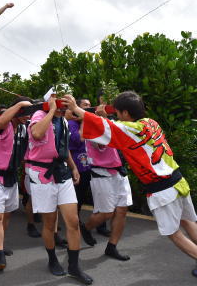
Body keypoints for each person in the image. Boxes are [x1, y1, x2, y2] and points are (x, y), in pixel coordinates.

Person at [63, 91, 197, 277]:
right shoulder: (151, 123)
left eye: (117, 112)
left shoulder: (129, 129)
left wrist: (76, 108)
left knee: (174, 233)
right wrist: (105, 116)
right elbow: (113, 126)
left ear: (125, 113)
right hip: (179, 181)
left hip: (163, 189)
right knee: (188, 221)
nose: (116, 115)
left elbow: (105, 127)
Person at [26, 94, 93, 285]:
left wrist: (73, 168)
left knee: (72, 221)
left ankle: (74, 266)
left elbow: (64, 148)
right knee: (50, 222)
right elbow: (38, 133)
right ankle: (52, 259)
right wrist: (52, 111)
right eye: (56, 98)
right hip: (42, 174)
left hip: (62, 172)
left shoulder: (63, 120)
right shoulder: (39, 115)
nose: (60, 102)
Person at [0, 97, 32, 271]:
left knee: (7, 214)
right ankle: (0, 254)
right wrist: (18, 105)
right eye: (24, 113)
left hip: (11, 177)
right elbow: (1, 120)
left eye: (29, 113)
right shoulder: (4, 125)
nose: (27, 116)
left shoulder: (25, 129)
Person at [79, 138, 132, 261]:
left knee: (122, 210)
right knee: (107, 213)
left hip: (119, 172)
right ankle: (85, 228)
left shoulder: (114, 122)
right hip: (101, 173)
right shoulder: (93, 125)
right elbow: (101, 142)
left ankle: (111, 247)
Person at [67, 99, 110, 237]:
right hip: (78, 167)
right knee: (78, 197)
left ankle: (100, 225)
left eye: (89, 105)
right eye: (85, 105)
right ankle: (76, 222)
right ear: (77, 108)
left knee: (98, 197)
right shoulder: (71, 123)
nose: (88, 107)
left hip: (93, 165)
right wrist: (85, 119)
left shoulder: (91, 121)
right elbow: (77, 139)